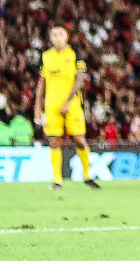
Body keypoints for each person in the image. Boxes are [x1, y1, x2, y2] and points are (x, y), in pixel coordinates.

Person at [36, 25, 98, 190]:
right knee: (54, 142)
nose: (56, 38)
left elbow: (80, 80)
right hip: (51, 105)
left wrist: (67, 101)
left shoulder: (75, 54)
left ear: (67, 37)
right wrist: (37, 106)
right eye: (53, 35)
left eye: (60, 35)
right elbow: (42, 83)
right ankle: (57, 181)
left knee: (79, 139)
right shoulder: (46, 56)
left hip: (72, 104)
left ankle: (87, 176)